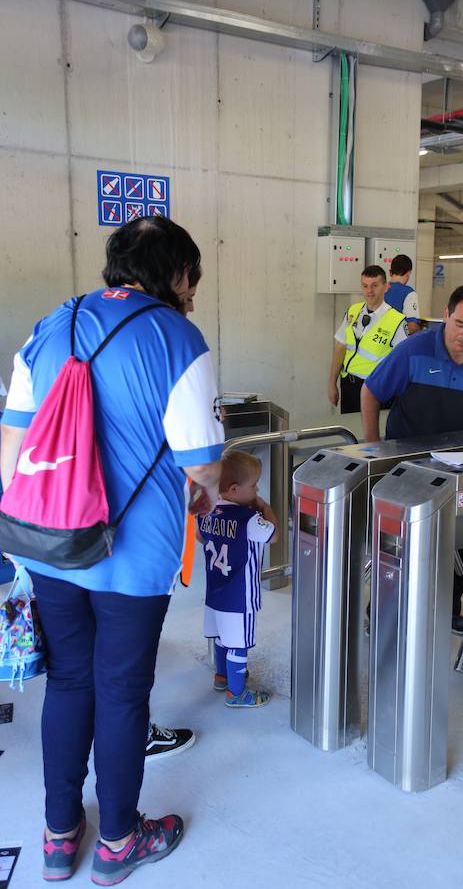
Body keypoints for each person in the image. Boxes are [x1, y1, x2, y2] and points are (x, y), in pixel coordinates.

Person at [0, 217, 224, 884]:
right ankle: (120, 841)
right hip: (134, 552)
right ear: (177, 273)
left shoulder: (52, 324)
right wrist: (207, 493)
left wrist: (27, 543)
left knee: (69, 682)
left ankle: (59, 836)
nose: (192, 291)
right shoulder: (176, 335)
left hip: (51, 544)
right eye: (192, 278)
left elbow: (12, 446)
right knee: (122, 693)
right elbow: (202, 463)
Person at [361, 284, 463, 633]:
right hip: (406, 465)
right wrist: (374, 451)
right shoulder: (414, 350)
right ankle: (383, 609)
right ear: (446, 315)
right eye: (460, 324)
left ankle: (448, 608)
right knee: (398, 543)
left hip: (460, 466)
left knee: (456, 539)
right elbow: (370, 391)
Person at [197, 450, 279, 707]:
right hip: (238, 596)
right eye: (254, 485)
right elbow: (274, 535)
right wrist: (265, 508)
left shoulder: (207, 510)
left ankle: (222, 676)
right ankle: (237, 692)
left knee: (222, 636)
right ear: (234, 489)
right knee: (238, 644)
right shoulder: (250, 520)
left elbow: (200, 537)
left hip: (215, 593)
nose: (257, 490)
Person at [328, 265, 408, 414]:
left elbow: (403, 363)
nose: (369, 291)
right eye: (365, 286)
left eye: (374, 285)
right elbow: (340, 347)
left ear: (386, 287)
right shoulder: (353, 311)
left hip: (375, 388)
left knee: (371, 429)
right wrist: (332, 383)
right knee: (350, 427)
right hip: (348, 385)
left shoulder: (396, 321)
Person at [385, 254, 420, 334]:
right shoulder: (409, 293)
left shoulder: (380, 289)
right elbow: (412, 327)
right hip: (396, 339)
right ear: (409, 273)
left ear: (390, 272)